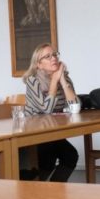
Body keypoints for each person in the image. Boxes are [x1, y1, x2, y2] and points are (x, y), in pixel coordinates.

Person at [22, 43, 79, 182]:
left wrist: (63, 80)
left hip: (52, 129)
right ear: (38, 64)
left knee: (70, 155)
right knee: (49, 156)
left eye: (54, 54)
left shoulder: (63, 77)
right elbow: (46, 109)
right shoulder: (33, 80)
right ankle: (35, 191)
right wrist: (54, 80)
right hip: (34, 131)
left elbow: (74, 108)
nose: (53, 58)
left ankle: (53, 190)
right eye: (47, 56)